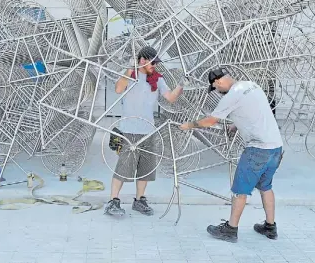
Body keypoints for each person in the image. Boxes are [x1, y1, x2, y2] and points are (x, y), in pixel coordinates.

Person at [180, 67, 283, 243]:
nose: (217, 92)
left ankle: (231, 229)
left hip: (258, 149)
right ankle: (270, 227)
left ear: (218, 82)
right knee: (265, 187)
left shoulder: (231, 96)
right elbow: (255, 111)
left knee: (240, 191)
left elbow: (211, 121)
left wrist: (188, 125)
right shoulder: (251, 85)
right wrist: (237, 124)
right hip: (276, 148)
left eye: (215, 88)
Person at [105, 46, 184, 216]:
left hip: (148, 130)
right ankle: (113, 201)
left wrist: (182, 84)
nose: (154, 66)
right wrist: (129, 68)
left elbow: (170, 97)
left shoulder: (157, 78)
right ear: (142, 60)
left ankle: (139, 201)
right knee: (124, 167)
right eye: (152, 62)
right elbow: (119, 89)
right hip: (129, 130)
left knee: (145, 168)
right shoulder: (130, 75)